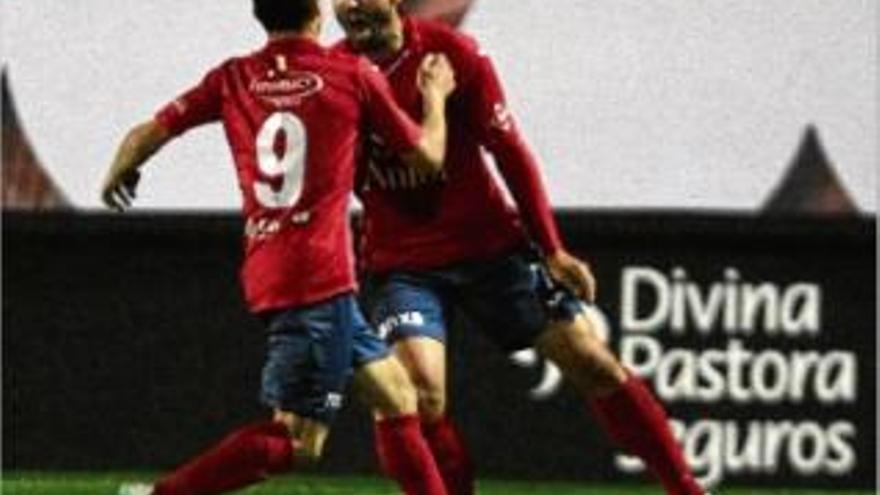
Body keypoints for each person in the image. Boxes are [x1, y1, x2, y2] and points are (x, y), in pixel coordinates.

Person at [332, 1, 709, 494]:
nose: (351, 4)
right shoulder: (335, 76)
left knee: (591, 360)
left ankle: (684, 487)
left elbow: (508, 150)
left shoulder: (452, 55)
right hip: (404, 268)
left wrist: (551, 248)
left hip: (491, 250)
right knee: (419, 396)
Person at [100, 1, 457, 494]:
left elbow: (147, 133)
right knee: (297, 442)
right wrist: (435, 97)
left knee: (397, 396)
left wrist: (121, 167)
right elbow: (427, 159)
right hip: (319, 277)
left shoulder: (233, 77)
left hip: (273, 268)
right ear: (317, 16)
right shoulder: (352, 73)